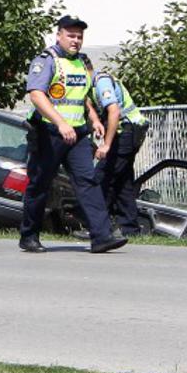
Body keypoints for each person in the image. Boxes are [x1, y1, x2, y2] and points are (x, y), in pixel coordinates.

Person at [18, 15, 124, 254]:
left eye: (79, 36)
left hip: (77, 134)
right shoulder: (47, 60)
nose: (75, 40)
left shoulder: (82, 62)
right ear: (59, 35)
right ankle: (29, 236)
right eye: (71, 35)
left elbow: (81, 96)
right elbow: (36, 95)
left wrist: (94, 119)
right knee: (40, 184)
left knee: (88, 181)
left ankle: (102, 237)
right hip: (49, 133)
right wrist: (60, 123)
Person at [91, 69, 151, 237]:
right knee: (122, 182)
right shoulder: (93, 85)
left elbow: (114, 112)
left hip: (126, 132)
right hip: (130, 132)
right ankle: (130, 228)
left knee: (102, 178)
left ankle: (96, 228)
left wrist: (106, 145)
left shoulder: (101, 82)